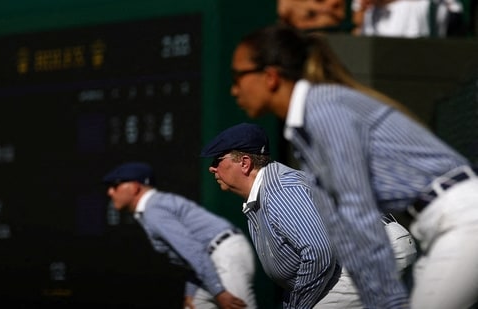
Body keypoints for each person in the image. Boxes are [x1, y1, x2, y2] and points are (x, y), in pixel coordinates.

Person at [229, 23, 478, 308]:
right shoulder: (309, 121)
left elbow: (358, 216)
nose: (233, 89)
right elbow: (343, 226)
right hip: (443, 224)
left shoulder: (324, 111)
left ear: (270, 77)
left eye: (238, 76)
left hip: (463, 216)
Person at [200, 122, 359, 308]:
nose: (212, 168)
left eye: (217, 160)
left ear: (244, 163)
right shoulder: (264, 192)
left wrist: (297, 305)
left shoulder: (280, 190)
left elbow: (319, 252)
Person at [103, 162, 257, 309]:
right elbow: (191, 253)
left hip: (224, 256)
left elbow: (192, 249)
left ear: (135, 187)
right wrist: (192, 290)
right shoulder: (154, 206)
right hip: (215, 257)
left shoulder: (153, 210)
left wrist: (219, 291)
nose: (110, 192)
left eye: (115, 185)